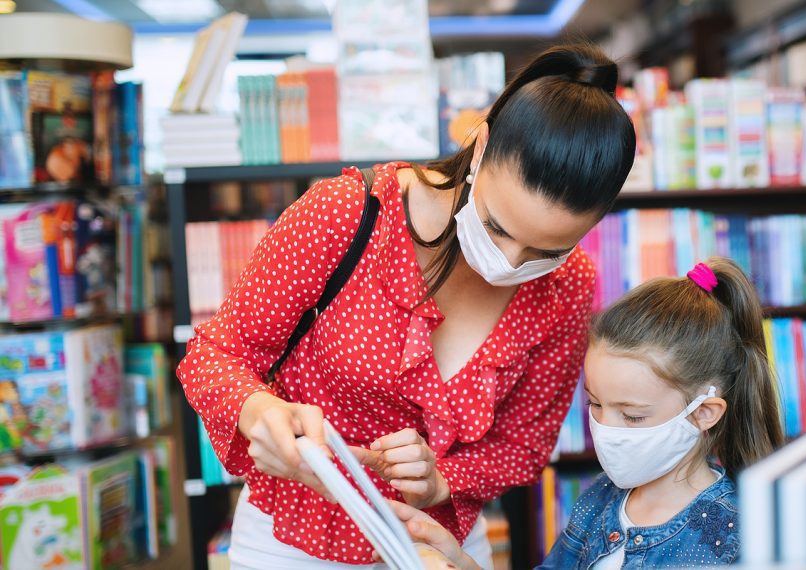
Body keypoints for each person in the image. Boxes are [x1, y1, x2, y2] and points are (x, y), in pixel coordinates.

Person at [176, 42, 635, 569]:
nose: (508, 263)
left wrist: (444, 481)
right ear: (480, 146)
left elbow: (525, 444)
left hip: (440, 548)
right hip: (294, 543)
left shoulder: (569, 285)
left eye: (545, 251)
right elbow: (215, 352)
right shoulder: (348, 214)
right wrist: (259, 411)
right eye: (497, 227)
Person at [394, 258, 786, 568]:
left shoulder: (737, 533)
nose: (606, 429)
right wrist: (457, 559)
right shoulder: (602, 499)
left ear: (705, 413)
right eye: (596, 404)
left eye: (632, 416)